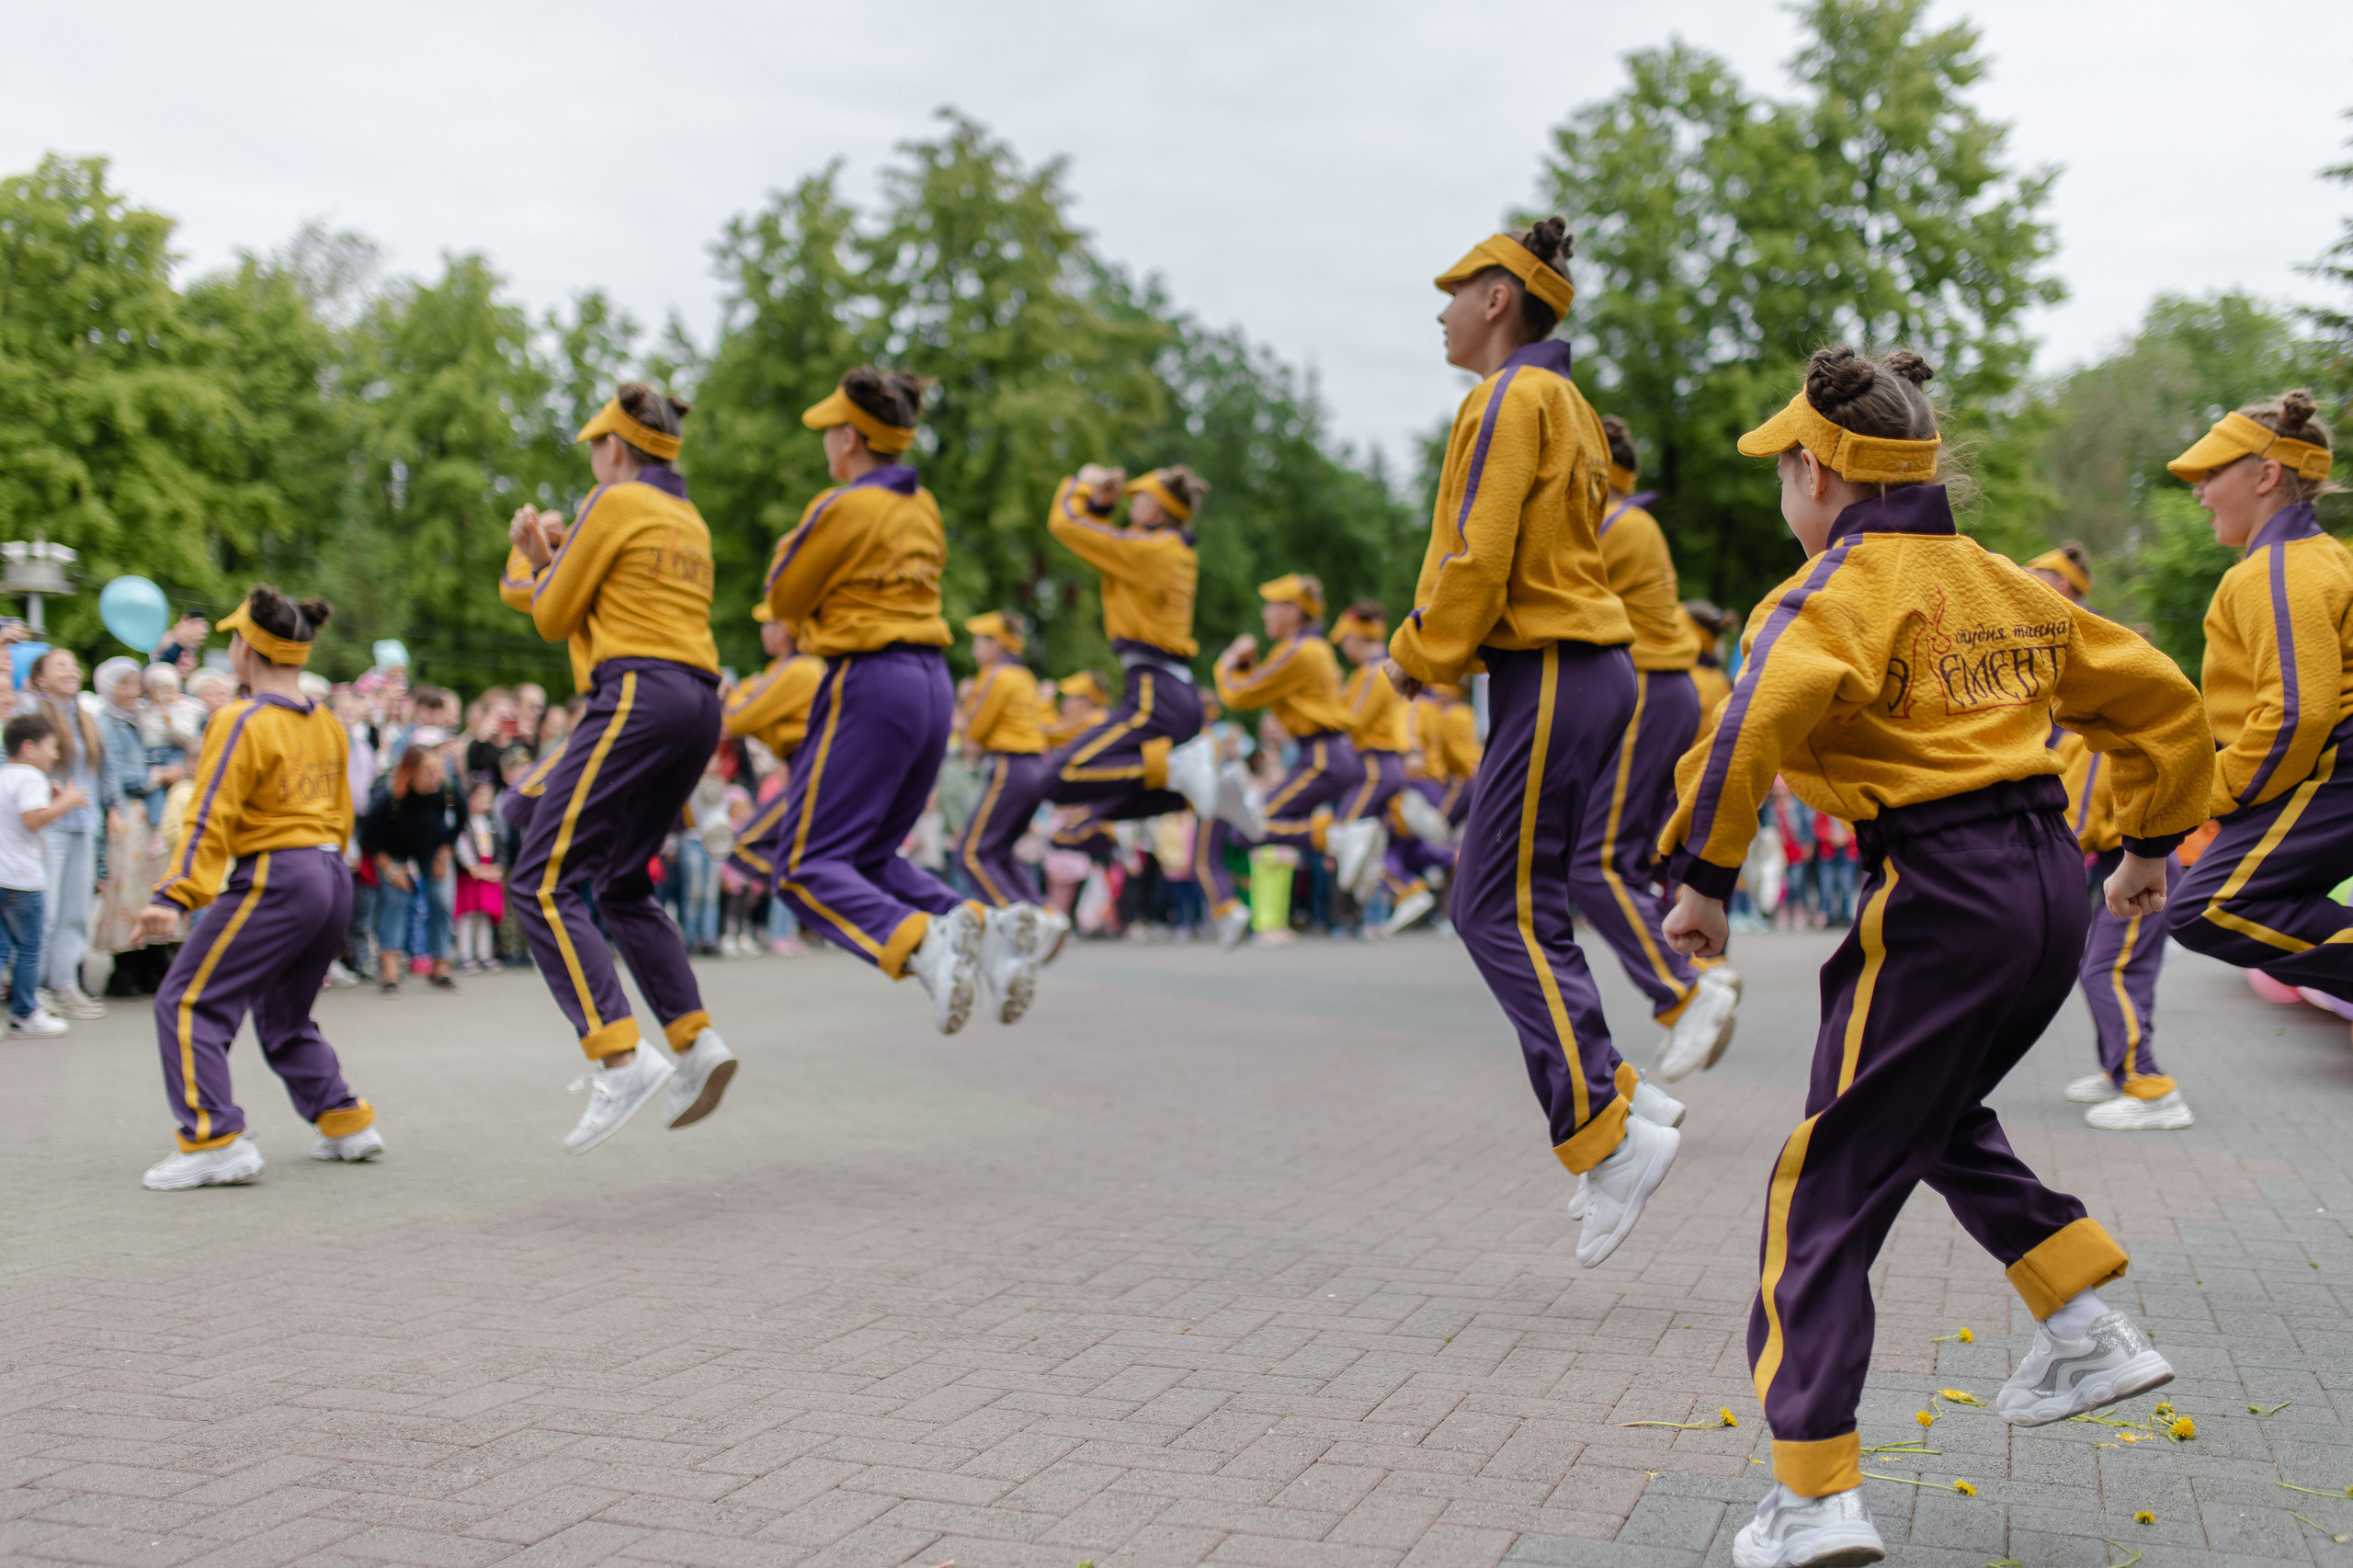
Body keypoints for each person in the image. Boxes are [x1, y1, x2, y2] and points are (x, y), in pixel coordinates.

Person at [1654, 347, 2210, 1567]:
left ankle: (1813, 1493)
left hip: (1938, 887)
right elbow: (2159, 695)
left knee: (1825, 1180)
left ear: (1815, 468)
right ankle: (2079, 1314)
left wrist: (1702, 876)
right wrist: (2150, 839)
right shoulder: (2004, 580)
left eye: (1780, 472)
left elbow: (1750, 721)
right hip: (2047, 888)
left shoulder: (1827, 592)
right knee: (1924, 1108)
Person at [1383, 219, 1678, 1272]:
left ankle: (1607, 1130)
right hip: (1576, 669)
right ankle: (1621, 1102)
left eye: (1455, 290)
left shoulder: (1506, 398)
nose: (1442, 309)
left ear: (1500, 297)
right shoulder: (1564, 403)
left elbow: (1475, 549)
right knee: (1525, 902)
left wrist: (1415, 655)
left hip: (1549, 665)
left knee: (1489, 905)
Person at [500, 381, 737, 1151]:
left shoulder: (616, 501)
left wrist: (526, 554)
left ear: (615, 446)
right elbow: (607, 595)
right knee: (621, 880)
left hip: (637, 694)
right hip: (698, 703)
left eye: (596, 449)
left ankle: (618, 1054)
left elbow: (549, 616)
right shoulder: (685, 517)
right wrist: (550, 554)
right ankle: (694, 1038)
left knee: (538, 882)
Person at [762, 368, 1034, 1033]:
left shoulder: (842, 504)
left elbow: (783, 599)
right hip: (931, 685)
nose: (826, 441)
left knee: (800, 868)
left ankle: (920, 940)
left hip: (869, 680)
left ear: (851, 439)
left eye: (831, 430)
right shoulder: (924, 506)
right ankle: (984, 929)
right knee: (873, 858)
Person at [133, 588, 382, 1190]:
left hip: (280, 874)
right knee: (284, 1011)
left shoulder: (239, 718)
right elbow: (343, 810)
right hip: (329, 873)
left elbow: (210, 810)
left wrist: (175, 894)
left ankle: (213, 1138)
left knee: (188, 1002)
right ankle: (343, 1120)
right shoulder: (325, 720)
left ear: (247, 647)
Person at [2161, 393, 2353, 1007]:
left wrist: (2207, 793)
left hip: (2333, 764)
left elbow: (2298, 710)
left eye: (2212, 474)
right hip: (2324, 765)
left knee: (2209, 906)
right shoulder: (2321, 557)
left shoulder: (2279, 569)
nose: (2200, 490)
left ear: (2266, 476)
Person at [1577, 416, 1740, 1079]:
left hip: (1647, 691)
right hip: (1651, 691)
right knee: (1621, 860)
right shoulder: (1620, 524)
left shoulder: (1616, 526)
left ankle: (1684, 993)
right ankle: (1700, 978)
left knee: (1594, 863)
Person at [2025, 544, 2198, 1132]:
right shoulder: (2092, 716)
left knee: (2108, 972)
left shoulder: (2107, 719)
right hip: (2141, 861)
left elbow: (2093, 812)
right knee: (2123, 970)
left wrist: (2052, 874)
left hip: (2142, 861)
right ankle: (2118, 1069)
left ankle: (2149, 1087)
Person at [1039, 463, 1229, 838]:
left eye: (1138, 498)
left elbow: (1066, 524)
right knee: (1098, 810)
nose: (1131, 503)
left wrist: (1083, 484)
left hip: (1156, 692)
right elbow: (1107, 543)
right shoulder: (1161, 549)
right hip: (1171, 691)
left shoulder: (1152, 551)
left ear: (1157, 509)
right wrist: (1102, 507)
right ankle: (1206, 789)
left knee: (1059, 778)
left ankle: (1179, 770)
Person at [1203, 575, 1363, 948]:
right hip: (1326, 753)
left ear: (1293, 612)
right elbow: (1258, 686)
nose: (1265, 613)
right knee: (1249, 829)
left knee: (1249, 828)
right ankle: (1341, 837)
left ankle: (1337, 836)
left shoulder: (1300, 651)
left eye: (1272, 605)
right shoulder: (1305, 649)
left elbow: (1239, 695)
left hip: (1324, 755)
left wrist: (1228, 660)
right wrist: (1247, 664)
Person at [951, 611, 1058, 1017]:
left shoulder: (997, 676)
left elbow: (975, 731)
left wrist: (965, 718)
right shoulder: (1024, 676)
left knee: (972, 853)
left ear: (998, 643)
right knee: (998, 852)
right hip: (1033, 768)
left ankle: (1017, 931)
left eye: (981, 639)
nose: (975, 647)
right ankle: (1042, 916)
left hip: (1011, 767)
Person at [18, 648, 107, 1020]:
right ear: (40, 677)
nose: (71, 670)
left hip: (84, 823)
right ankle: (33, 988)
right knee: (47, 911)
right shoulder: (32, 712)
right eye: (61, 665)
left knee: (74, 910)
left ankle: (64, 982)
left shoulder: (86, 716)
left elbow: (103, 771)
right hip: (51, 824)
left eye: (74, 665)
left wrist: (111, 810)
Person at [722, 606, 825, 897]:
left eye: (769, 624)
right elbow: (750, 722)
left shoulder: (799, 670)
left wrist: (737, 693)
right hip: (803, 768)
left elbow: (736, 719)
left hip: (814, 769)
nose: (764, 631)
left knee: (744, 846)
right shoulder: (783, 670)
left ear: (786, 630)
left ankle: (820, 901)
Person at [0, 714, 82, 1038]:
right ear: (29, 747)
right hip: (22, 878)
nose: (56, 755)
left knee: (3, 948)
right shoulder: (31, 777)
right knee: (31, 947)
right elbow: (32, 820)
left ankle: (24, 1010)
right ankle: (25, 1013)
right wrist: (67, 801)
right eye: (51, 748)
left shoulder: (6, 774)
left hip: (3, 875)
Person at [1326, 603, 1410, 905]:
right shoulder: (1381, 668)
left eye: (1345, 639)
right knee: (1366, 841)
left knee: (1343, 830)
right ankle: (1406, 890)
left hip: (1375, 766)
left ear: (1355, 636)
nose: (1343, 646)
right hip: (1383, 765)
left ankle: (1403, 889)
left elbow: (1352, 719)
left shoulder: (1373, 672)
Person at [360, 739, 459, 993]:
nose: (436, 777)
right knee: (395, 902)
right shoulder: (391, 798)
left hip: (433, 851)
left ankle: (440, 966)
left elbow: (460, 820)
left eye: (439, 769)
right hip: (394, 854)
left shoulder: (446, 791)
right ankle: (390, 972)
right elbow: (368, 837)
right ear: (410, 772)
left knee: (441, 900)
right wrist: (391, 869)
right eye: (428, 771)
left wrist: (445, 853)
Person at [451, 779, 506, 974]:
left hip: (489, 874)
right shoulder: (464, 823)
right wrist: (472, 867)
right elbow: (460, 846)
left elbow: (500, 847)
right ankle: (465, 956)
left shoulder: (492, 824)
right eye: (481, 797)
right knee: (467, 916)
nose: (486, 802)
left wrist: (498, 867)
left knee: (486, 916)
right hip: (471, 876)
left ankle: (485, 955)